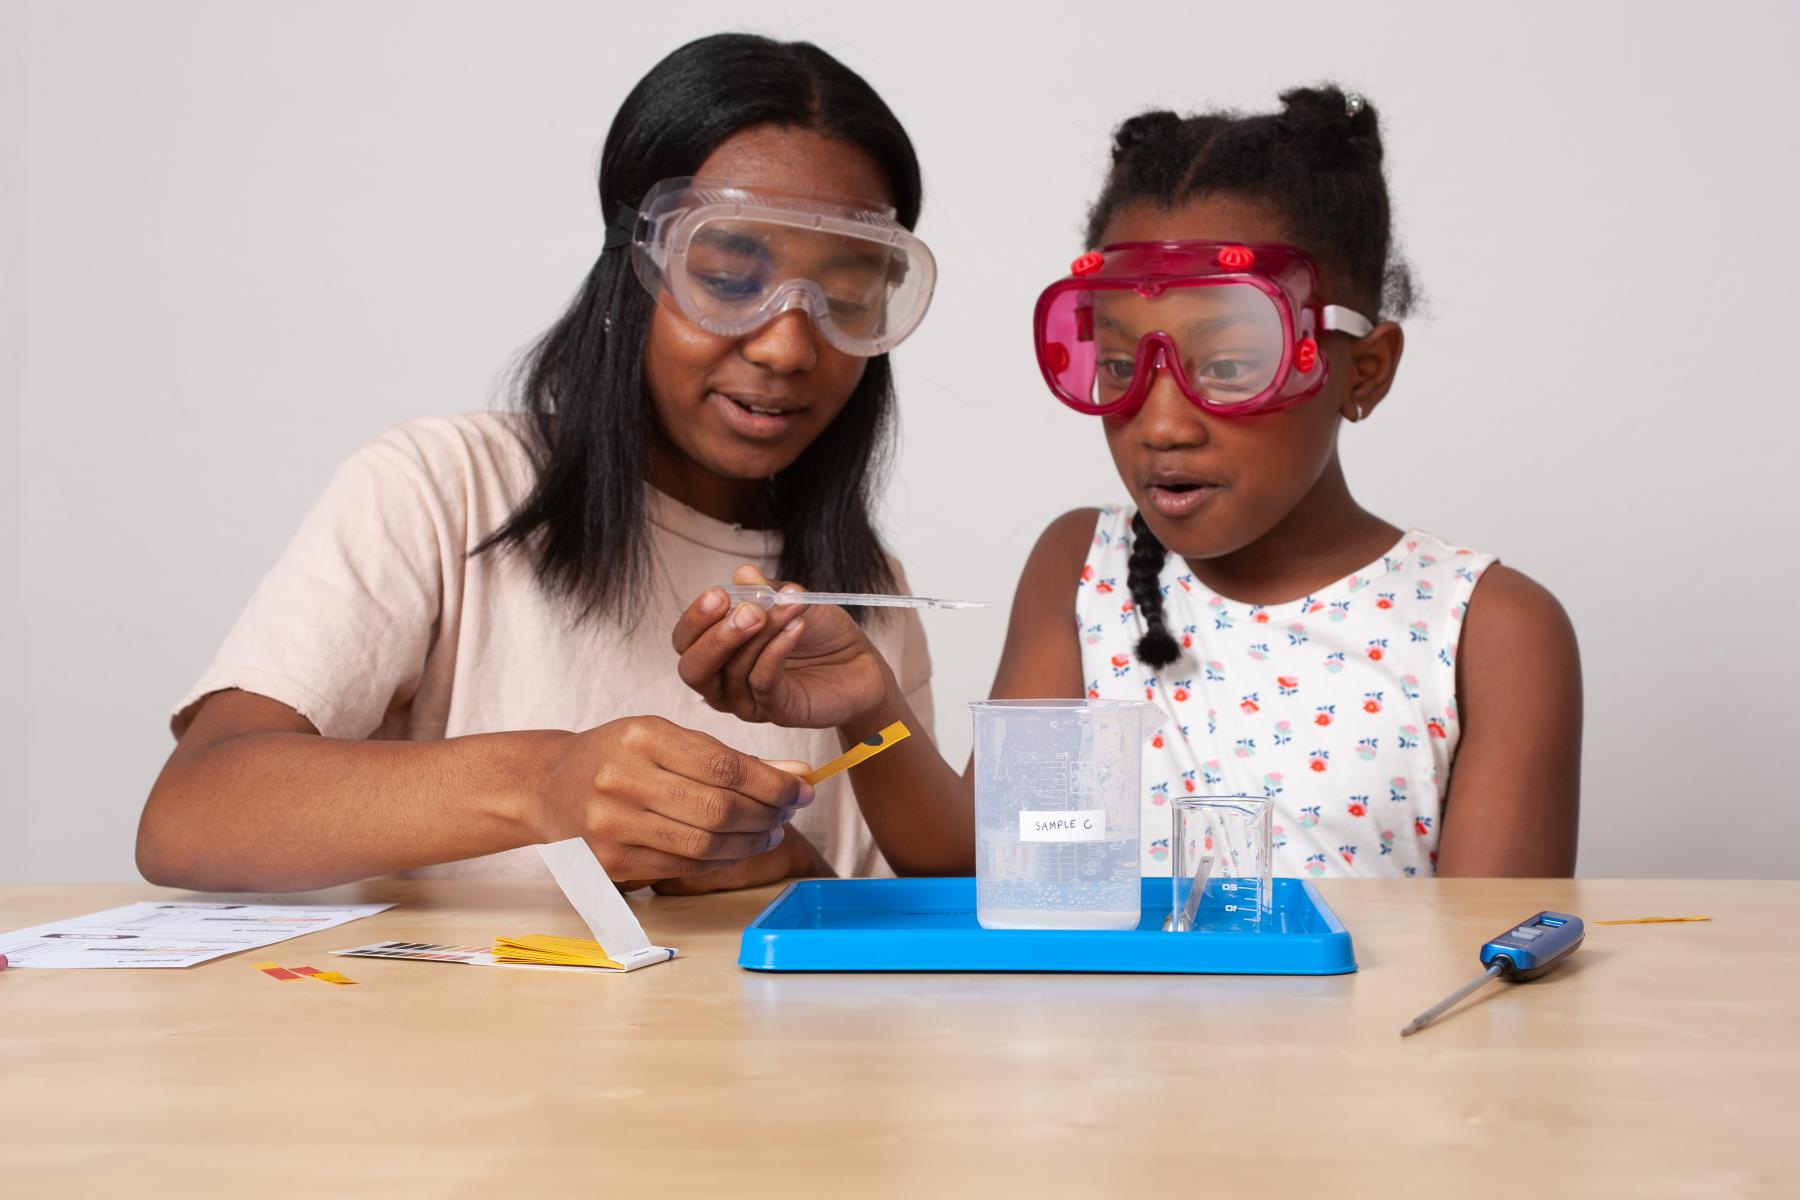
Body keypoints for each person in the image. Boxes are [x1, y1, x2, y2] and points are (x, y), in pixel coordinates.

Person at [673, 86, 1581, 878]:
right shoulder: (1082, 566)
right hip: (1104, 1075)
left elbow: (1489, 967)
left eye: (1228, 365)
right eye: (1116, 365)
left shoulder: (1490, 629)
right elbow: (979, 862)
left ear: (1364, 370)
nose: (1161, 420)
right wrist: (868, 702)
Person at [137, 33, 937, 893]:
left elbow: (898, 964)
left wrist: (792, 872)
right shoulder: (443, 488)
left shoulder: (863, 602)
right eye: (730, 278)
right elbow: (190, 813)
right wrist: (541, 785)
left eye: (846, 297)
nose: (787, 345)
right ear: (632, 270)